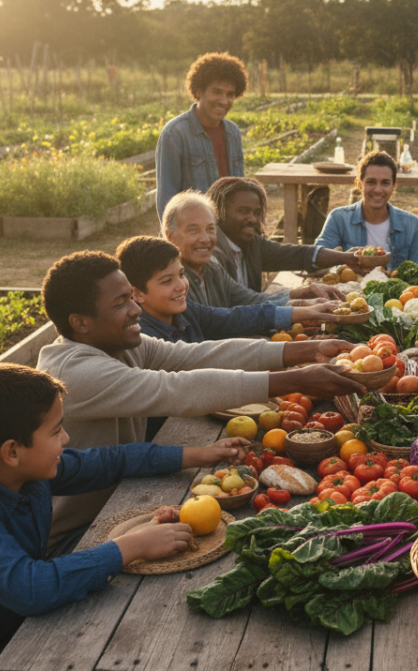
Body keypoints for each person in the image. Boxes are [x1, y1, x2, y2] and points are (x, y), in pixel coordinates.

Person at [0, 362, 250, 671]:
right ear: (12, 451)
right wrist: (131, 546)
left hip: (9, 629)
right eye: (56, 430)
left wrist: (198, 454)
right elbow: (31, 588)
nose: (66, 438)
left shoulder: (16, 470)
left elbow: (110, 461)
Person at [36, 251, 366, 554]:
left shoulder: (119, 344)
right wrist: (298, 379)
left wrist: (305, 350)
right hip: (78, 537)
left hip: (127, 502)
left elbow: (198, 355)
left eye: (131, 298)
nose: (136, 309)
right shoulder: (74, 373)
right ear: (80, 322)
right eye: (120, 303)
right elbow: (178, 389)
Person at [116, 235, 339, 344]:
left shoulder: (187, 311)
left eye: (181, 275)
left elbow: (234, 318)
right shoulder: (141, 337)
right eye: (167, 281)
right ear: (137, 293)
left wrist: (305, 310)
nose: (181, 286)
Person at [161, 190, 341, 307]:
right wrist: (298, 305)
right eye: (193, 230)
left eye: (210, 229)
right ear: (170, 236)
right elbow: (217, 320)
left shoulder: (213, 269)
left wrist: (302, 294)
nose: (205, 239)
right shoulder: (172, 282)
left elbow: (252, 300)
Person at [205, 176, 359, 293]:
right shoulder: (212, 255)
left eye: (257, 213)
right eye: (243, 211)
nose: (253, 219)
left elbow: (296, 255)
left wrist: (347, 257)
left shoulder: (252, 245)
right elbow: (237, 306)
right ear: (218, 212)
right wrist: (294, 298)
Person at [156, 52, 248, 218]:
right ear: (199, 91)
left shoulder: (233, 132)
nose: (224, 101)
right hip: (196, 228)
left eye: (230, 94)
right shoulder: (176, 134)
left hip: (229, 226)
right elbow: (166, 199)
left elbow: (239, 188)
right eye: (216, 92)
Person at [315, 150, 418, 270]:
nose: (378, 189)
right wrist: (345, 259)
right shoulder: (339, 219)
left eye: (385, 183)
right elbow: (316, 260)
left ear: (394, 185)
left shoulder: (411, 224)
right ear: (359, 183)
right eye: (371, 182)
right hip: (351, 283)